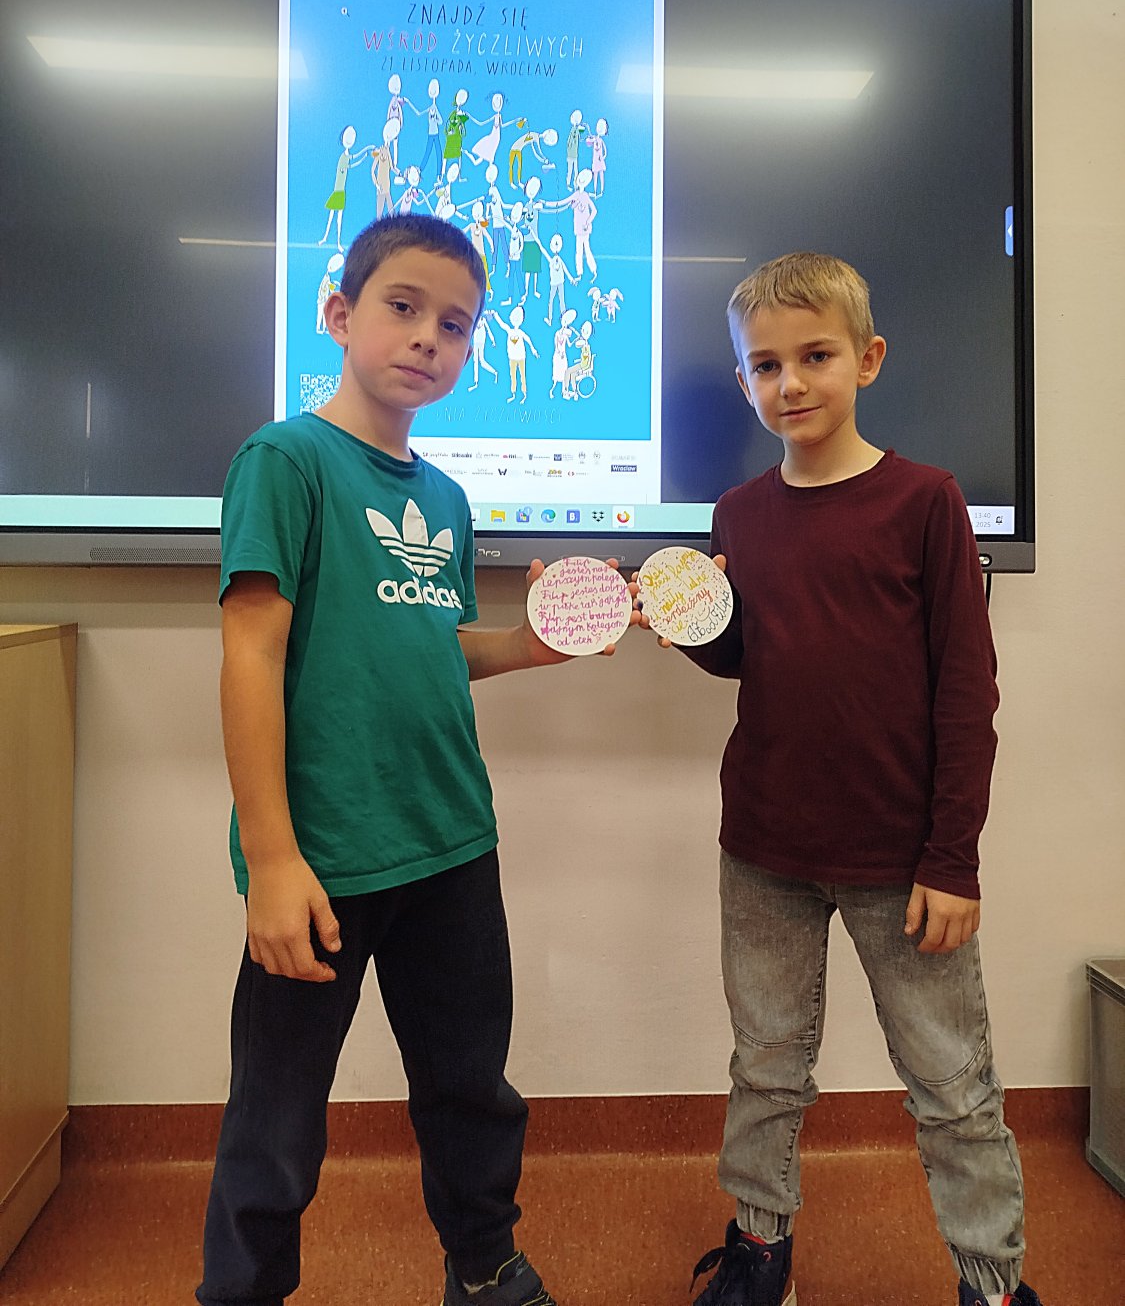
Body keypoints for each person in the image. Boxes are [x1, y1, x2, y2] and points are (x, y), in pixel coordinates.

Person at [197, 213, 624, 1306]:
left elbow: (438, 647)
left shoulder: (445, 498)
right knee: (277, 1117)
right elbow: (250, 654)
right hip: (324, 858)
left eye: (457, 324)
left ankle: (484, 1268)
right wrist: (273, 859)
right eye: (403, 307)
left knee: (470, 1089)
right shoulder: (285, 459)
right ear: (339, 315)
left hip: (451, 843)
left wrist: (533, 643)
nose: (430, 337)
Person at [639, 253, 1046, 1306]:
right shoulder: (738, 514)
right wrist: (688, 625)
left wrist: (952, 859)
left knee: (952, 1084)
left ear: (866, 359)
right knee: (765, 1066)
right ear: (744, 381)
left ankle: (992, 1282)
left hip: (902, 860)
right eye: (765, 365)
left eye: (815, 356)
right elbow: (748, 658)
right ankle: (759, 1247)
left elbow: (966, 694)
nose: (791, 383)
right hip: (763, 850)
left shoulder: (926, 502)